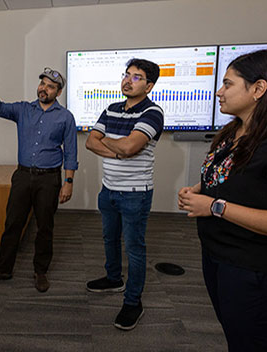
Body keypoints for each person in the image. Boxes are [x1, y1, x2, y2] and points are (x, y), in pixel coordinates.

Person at [178, 48, 267, 352]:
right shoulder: (234, 132)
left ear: (259, 89)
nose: (219, 92)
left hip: (255, 267)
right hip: (219, 256)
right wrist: (200, 190)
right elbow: (232, 179)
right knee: (237, 338)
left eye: (228, 84)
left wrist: (215, 207)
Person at [0, 67, 78, 293]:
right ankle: (3, 269)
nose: (44, 89)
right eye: (42, 84)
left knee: (45, 227)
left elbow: (71, 152)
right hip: (23, 176)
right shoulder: (23, 109)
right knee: (13, 223)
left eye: (50, 86)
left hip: (49, 179)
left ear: (58, 92)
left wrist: (68, 182)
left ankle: (40, 271)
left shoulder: (65, 117)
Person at [85, 58, 164, 330]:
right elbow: (89, 142)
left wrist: (113, 143)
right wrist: (119, 147)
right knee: (109, 238)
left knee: (134, 247)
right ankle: (113, 278)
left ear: (149, 85)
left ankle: (133, 302)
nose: (128, 80)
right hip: (108, 190)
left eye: (137, 77)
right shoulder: (111, 108)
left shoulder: (153, 113)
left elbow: (130, 147)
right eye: (127, 74)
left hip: (135, 194)